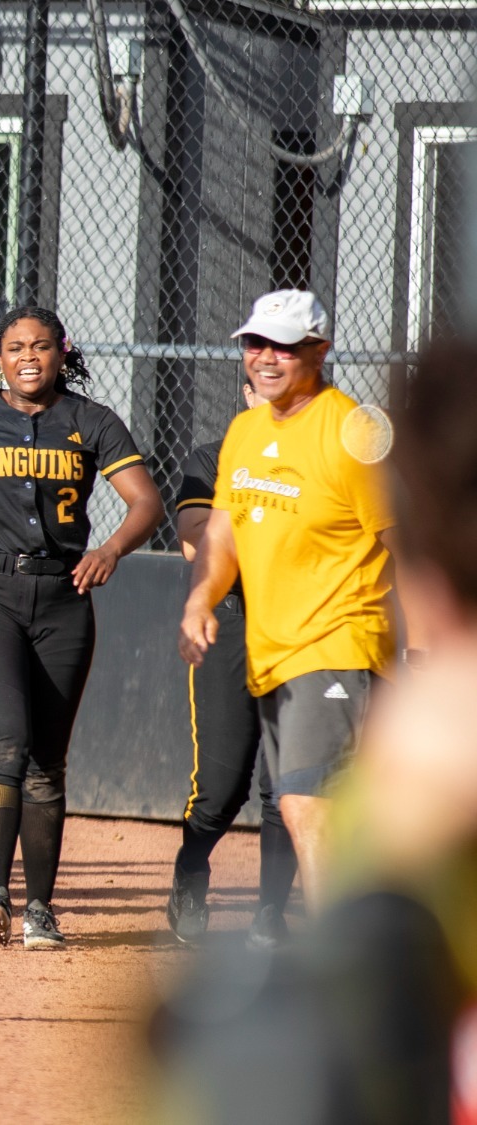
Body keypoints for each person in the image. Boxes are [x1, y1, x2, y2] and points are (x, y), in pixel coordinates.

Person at [0, 306, 163, 951]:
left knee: (47, 761)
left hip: (63, 594)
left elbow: (145, 502)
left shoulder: (90, 421)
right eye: (15, 346)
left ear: (58, 352)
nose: (28, 356)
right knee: (5, 743)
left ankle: (40, 909)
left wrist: (108, 550)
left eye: (41, 346)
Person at [179, 290, 405, 912]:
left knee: (309, 802)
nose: (266, 357)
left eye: (283, 345)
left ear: (319, 350)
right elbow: (223, 528)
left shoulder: (354, 432)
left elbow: (406, 539)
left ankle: (342, 959)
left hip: (338, 641)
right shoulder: (246, 430)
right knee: (309, 806)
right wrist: (202, 597)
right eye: (256, 343)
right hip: (270, 651)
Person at [165, 378, 299, 947]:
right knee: (222, 789)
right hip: (234, 618)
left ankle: (270, 913)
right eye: (259, 383)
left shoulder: (324, 449)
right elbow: (197, 539)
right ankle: (190, 869)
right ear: (243, 393)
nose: (271, 391)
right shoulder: (212, 457)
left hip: (302, 624)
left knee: (288, 786)